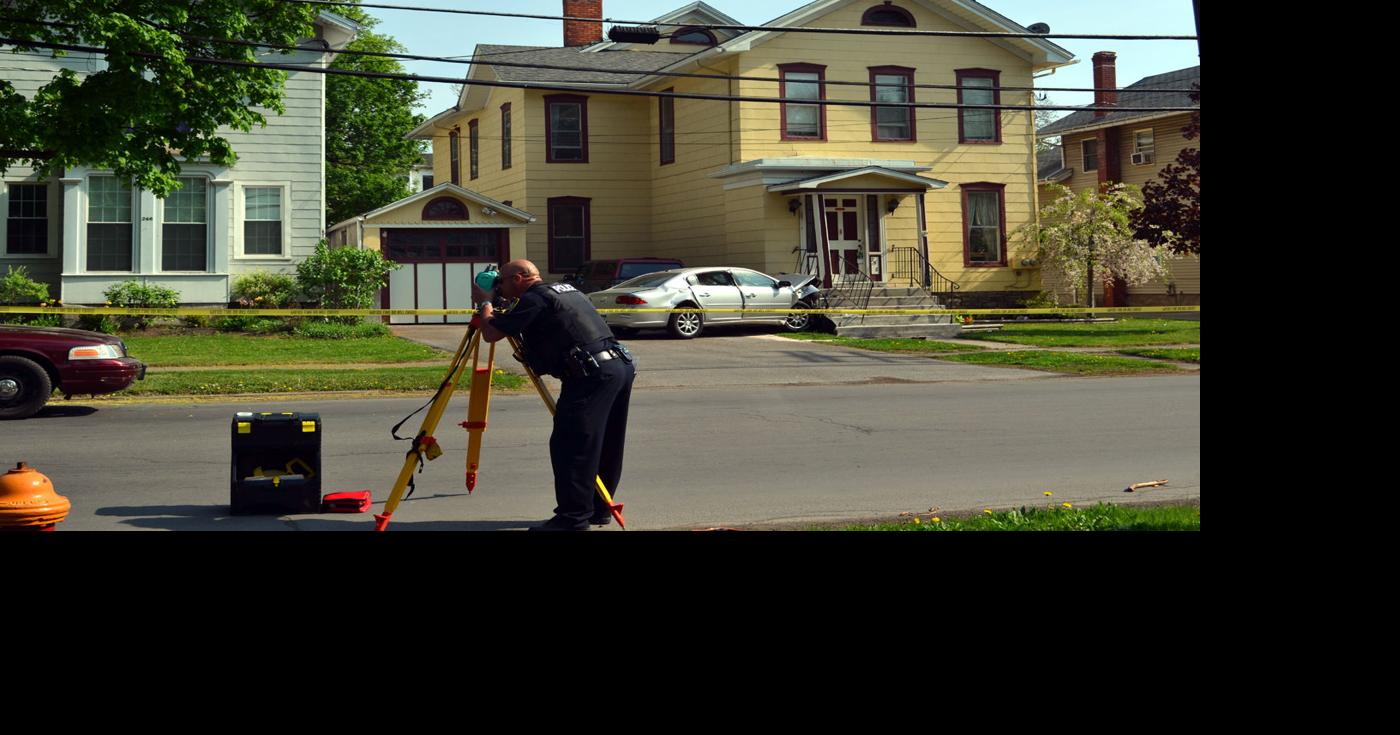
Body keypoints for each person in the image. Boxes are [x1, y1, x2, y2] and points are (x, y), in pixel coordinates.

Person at [475, 259, 636, 531]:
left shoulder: (534, 299)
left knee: (571, 446)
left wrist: (484, 302)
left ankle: (572, 519)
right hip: (617, 367)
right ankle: (597, 508)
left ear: (518, 278)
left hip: (590, 375)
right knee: (604, 442)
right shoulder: (566, 290)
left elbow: (490, 332)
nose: (499, 286)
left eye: (501, 281)